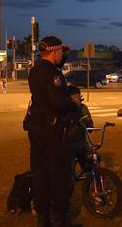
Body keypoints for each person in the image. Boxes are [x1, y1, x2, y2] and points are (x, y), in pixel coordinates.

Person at [27, 36, 78, 227]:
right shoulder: (53, 74)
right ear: (55, 51)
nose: (62, 55)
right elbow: (58, 102)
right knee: (59, 175)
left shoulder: (34, 70)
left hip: (37, 129)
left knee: (40, 175)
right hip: (53, 131)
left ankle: (43, 219)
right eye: (61, 52)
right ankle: (61, 219)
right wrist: (72, 105)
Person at [65, 85, 94, 170]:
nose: (78, 100)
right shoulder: (65, 109)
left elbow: (91, 128)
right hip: (67, 144)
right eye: (75, 97)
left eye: (79, 97)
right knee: (68, 168)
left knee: (95, 160)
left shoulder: (83, 108)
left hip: (81, 142)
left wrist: (87, 122)